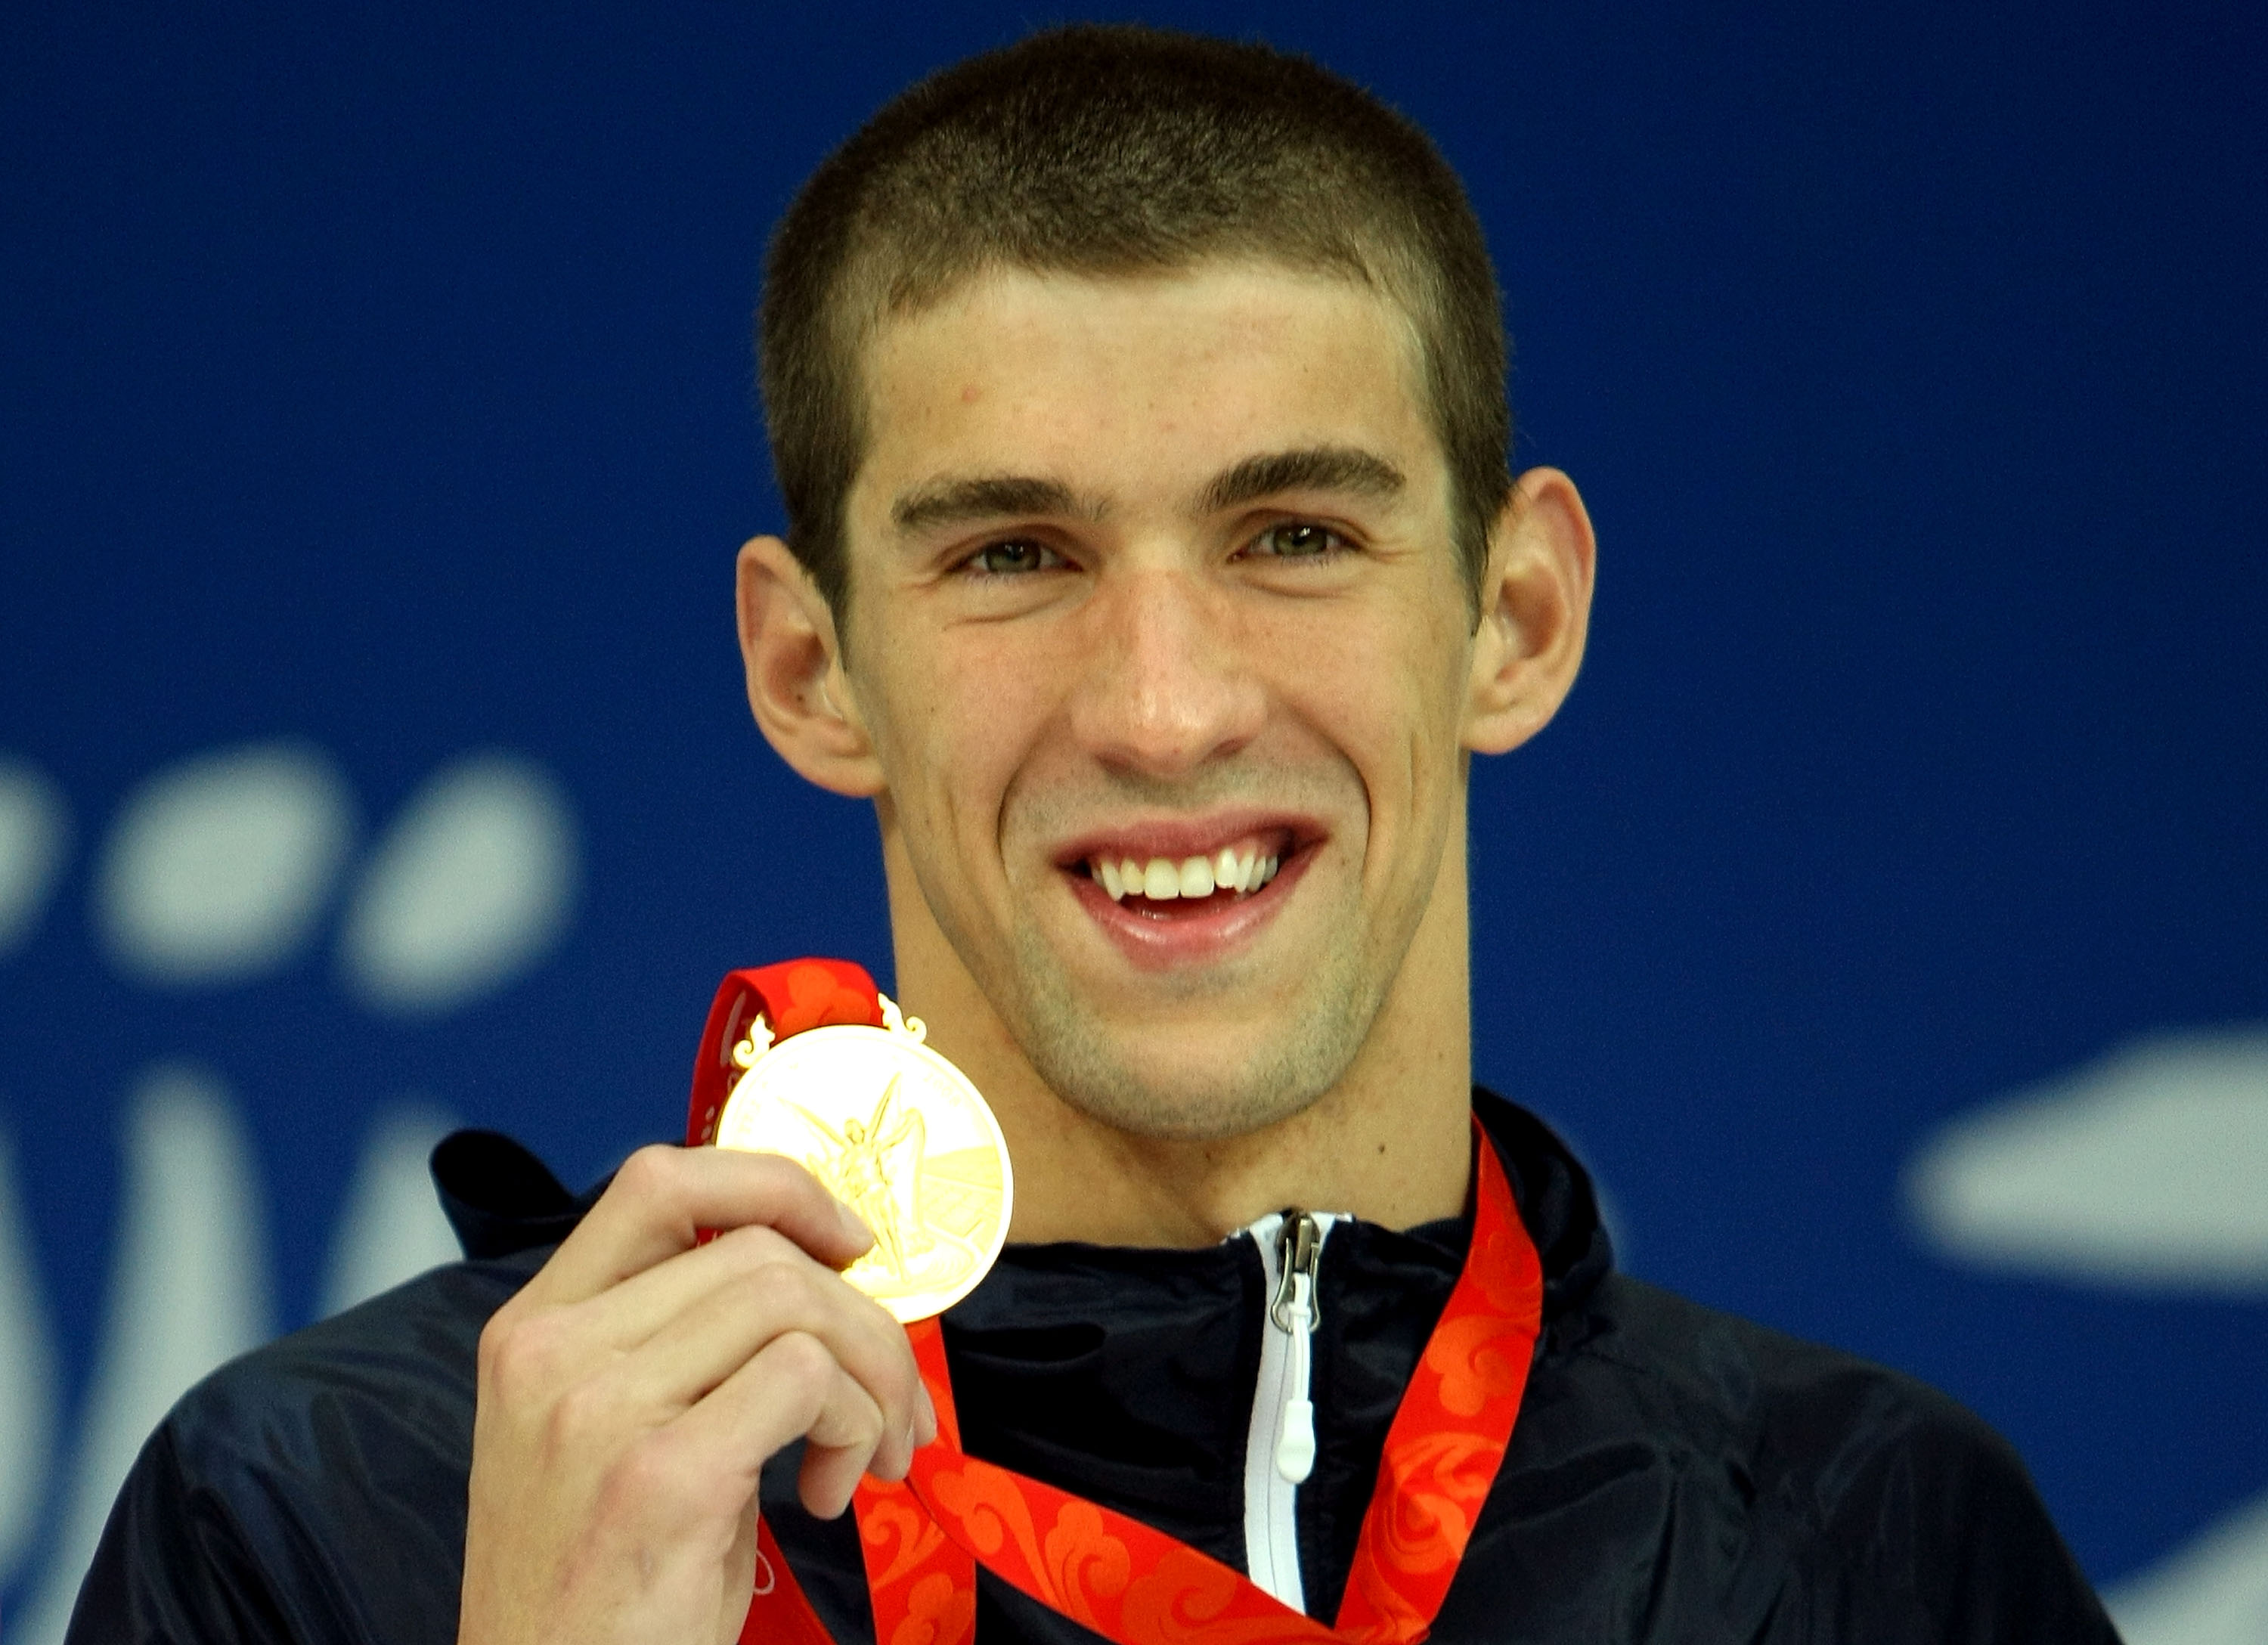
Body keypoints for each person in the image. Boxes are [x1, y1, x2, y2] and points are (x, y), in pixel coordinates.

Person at [67, 23, 2118, 1645]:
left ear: (1517, 618)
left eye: (1295, 534)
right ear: (810, 671)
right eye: (1016, 554)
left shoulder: (1881, 1541)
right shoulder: (346, 1516)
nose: (1165, 704)